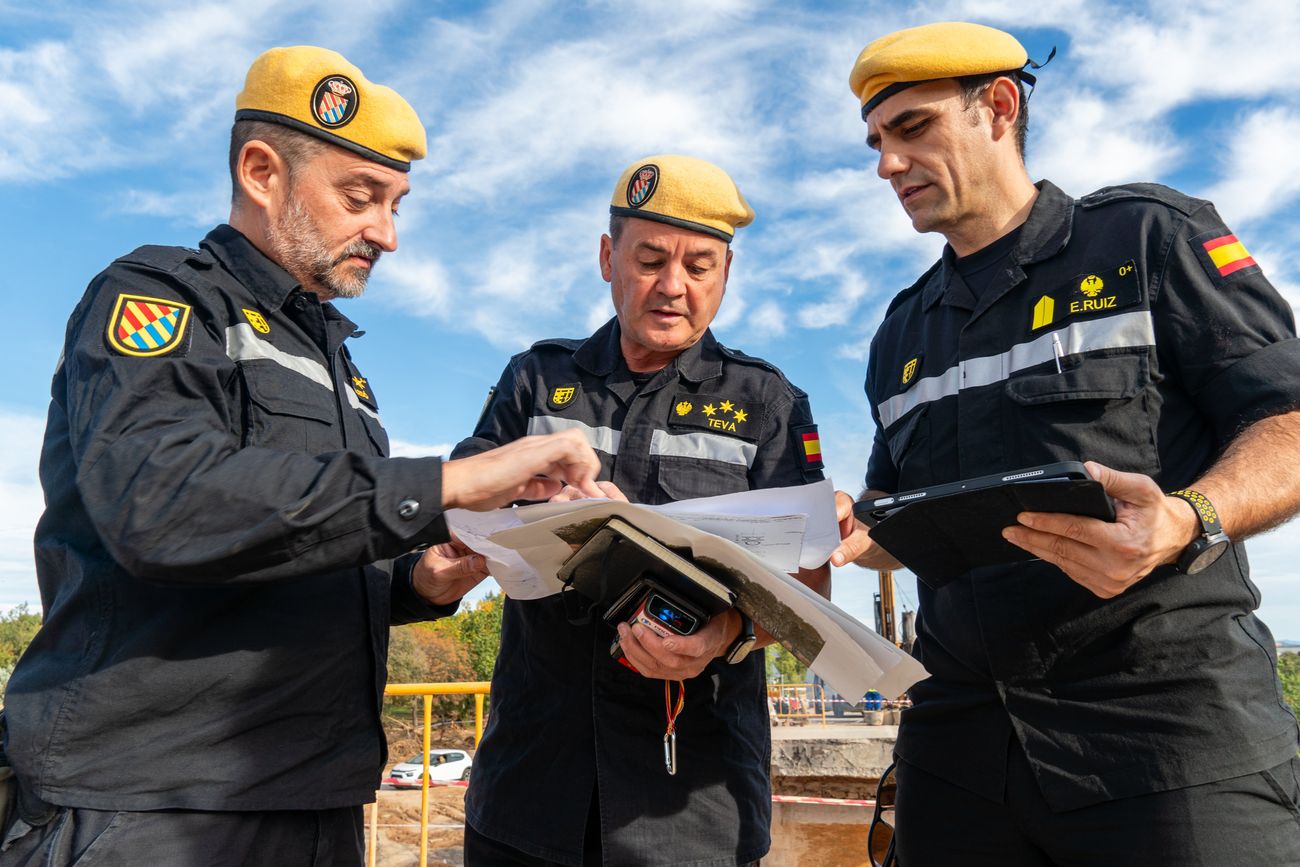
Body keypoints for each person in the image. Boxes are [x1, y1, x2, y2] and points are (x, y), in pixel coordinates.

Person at [0, 46, 603, 867]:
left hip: (316, 796)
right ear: (261, 171)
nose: (386, 233)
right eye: (361, 198)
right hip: (155, 805)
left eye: (396, 205)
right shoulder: (163, 300)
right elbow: (162, 503)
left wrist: (423, 579)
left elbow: (303, 545)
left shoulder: (343, 370)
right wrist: (452, 479)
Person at [831, 21, 1300, 865]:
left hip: (1164, 732)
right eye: (876, 141)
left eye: (912, 129)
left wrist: (1188, 517)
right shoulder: (899, 333)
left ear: (999, 108)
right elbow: (889, 518)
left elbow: (1290, 419)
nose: (886, 165)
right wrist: (849, 525)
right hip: (959, 752)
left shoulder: (1148, 241)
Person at [451, 154, 831, 866]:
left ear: (726, 274)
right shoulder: (536, 379)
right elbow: (461, 499)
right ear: (607, 257)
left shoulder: (768, 405)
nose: (672, 286)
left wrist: (726, 633)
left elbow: (812, 590)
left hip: (691, 805)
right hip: (529, 792)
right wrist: (534, 506)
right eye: (650, 259)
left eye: (700, 266)